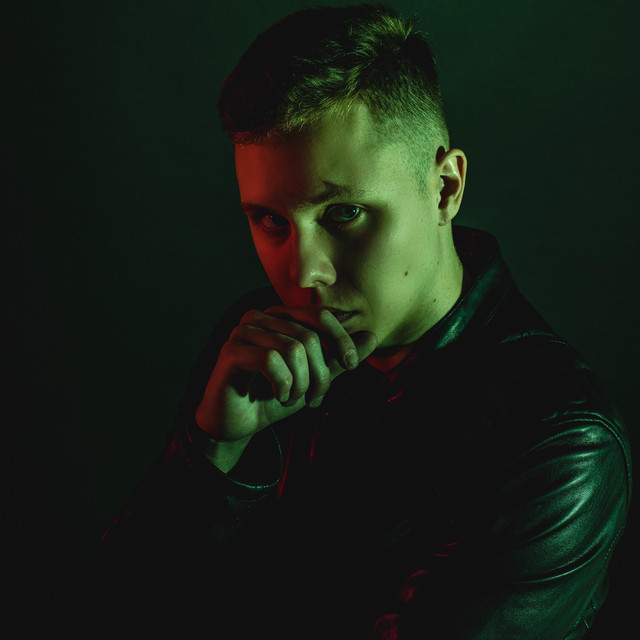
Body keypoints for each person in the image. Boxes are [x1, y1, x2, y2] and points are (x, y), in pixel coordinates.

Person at [96, 4, 632, 639]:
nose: (303, 272)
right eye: (270, 220)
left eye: (343, 213)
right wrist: (212, 448)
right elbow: (126, 611)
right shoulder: (258, 345)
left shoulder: (557, 440)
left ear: (445, 188)